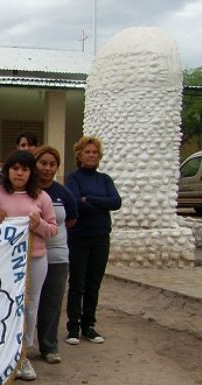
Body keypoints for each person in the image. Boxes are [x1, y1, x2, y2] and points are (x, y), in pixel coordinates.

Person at [0, 151, 57, 381]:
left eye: (25, 169)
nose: (19, 173)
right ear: (8, 170)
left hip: (34, 259)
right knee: (3, 303)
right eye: (15, 168)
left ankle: (23, 353)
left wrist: (39, 225)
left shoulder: (42, 197)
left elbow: (52, 230)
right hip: (3, 259)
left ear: (31, 173)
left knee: (30, 304)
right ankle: (2, 351)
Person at [65, 136, 121, 345]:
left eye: (95, 152)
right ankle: (73, 327)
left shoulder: (105, 179)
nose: (91, 155)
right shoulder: (73, 178)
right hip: (79, 238)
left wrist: (89, 199)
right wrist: (99, 204)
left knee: (93, 283)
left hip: (101, 237)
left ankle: (88, 325)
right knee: (77, 283)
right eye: (87, 152)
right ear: (79, 155)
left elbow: (115, 202)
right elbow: (75, 203)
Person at [35, 146, 78, 364]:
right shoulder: (26, 191)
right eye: (43, 163)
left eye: (52, 164)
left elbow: (70, 220)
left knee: (52, 302)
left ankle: (49, 346)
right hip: (29, 255)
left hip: (57, 255)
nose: (47, 168)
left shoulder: (64, 193)